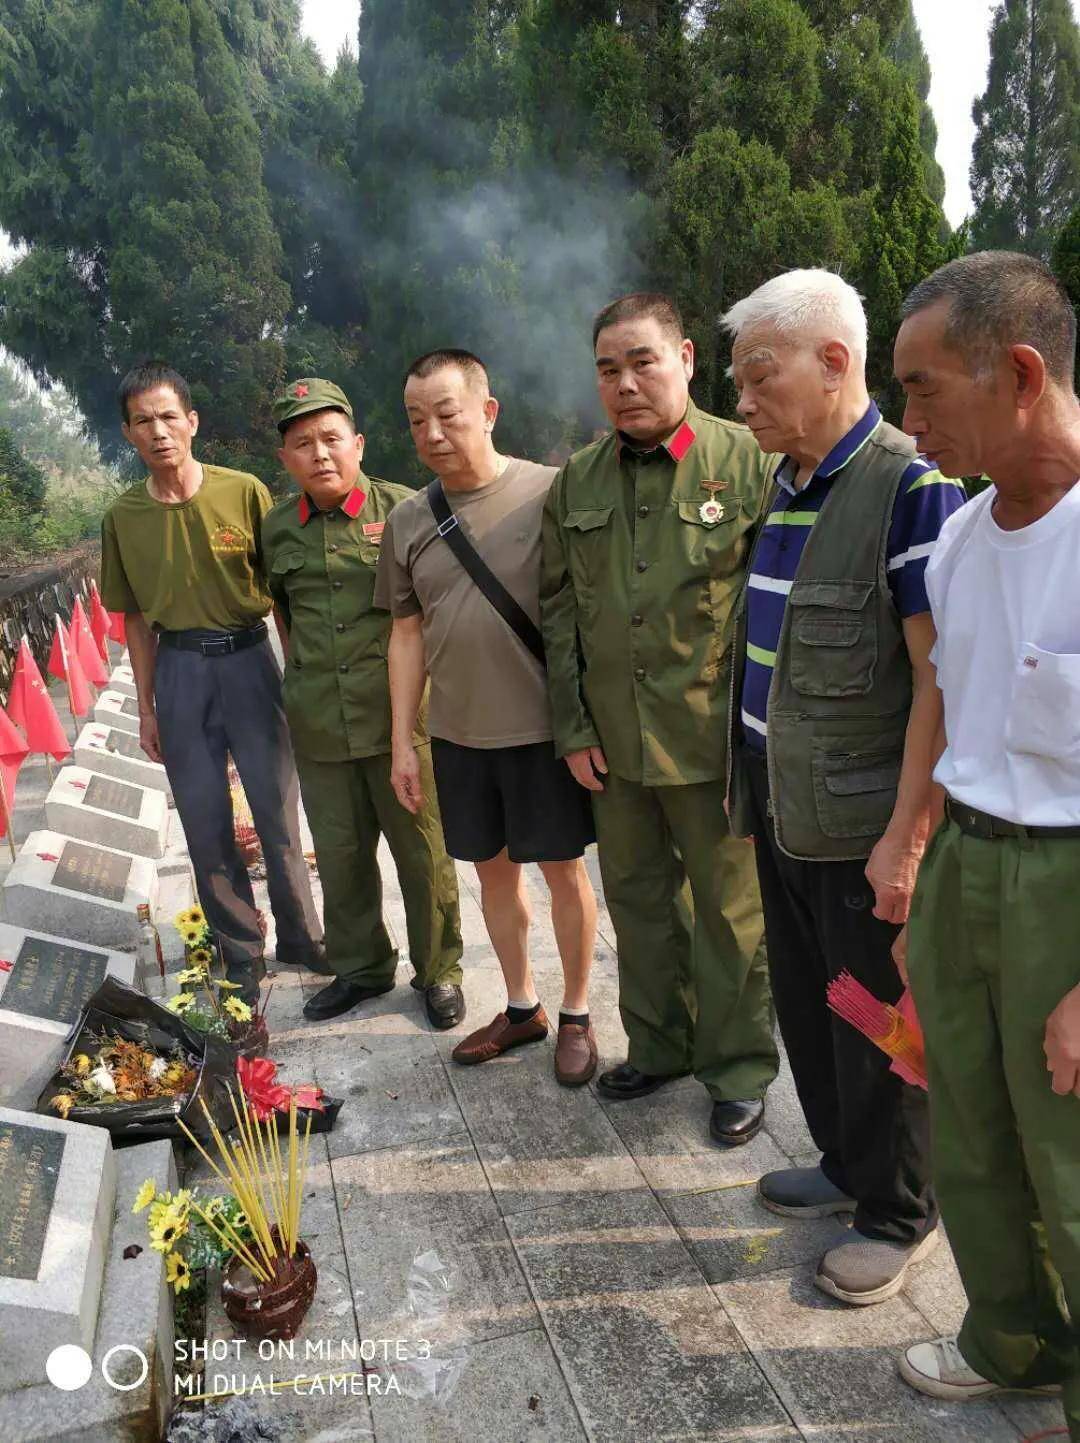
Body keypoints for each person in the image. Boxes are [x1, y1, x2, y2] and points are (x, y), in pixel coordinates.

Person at [720, 269, 967, 1302]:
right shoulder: (786, 482)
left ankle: (902, 1207)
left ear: (834, 363)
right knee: (811, 1006)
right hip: (784, 807)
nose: (741, 402)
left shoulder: (911, 488)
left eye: (758, 377)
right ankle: (841, 1163)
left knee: (878, 1021)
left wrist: (909, 838)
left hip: (864, 824)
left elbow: (937, 679)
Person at [891, 252, 1080, 1436]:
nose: (908, 424)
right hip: (966, 860)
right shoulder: (960, 537)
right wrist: (911, 852)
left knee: (1071, 1157)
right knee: (970, 1130)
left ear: (1017, 374)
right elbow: (941, 701)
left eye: (922, 390)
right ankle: (1011, 1340)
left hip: (1067, 886)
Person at [539, 292, 778, 1145]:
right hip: (615, 746)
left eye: (643, 361)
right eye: (608, 368)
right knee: (638, 902)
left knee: (726, 913)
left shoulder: (746, 463)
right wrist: (574, 729)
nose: (626, 382)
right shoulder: (580, 480)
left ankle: (739, 1067)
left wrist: (759, 739)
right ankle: (660, 1044)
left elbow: (774, 610)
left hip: (712, 743)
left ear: (684, 357)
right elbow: (560, 611)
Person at [375, 349, 599, 1086]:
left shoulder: (549, 492)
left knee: (565, 875)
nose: (432, 432)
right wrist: (404, 740)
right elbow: (405, 634)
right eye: (416, 421)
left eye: (447, 413)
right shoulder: (408, 519)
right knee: (493, 880)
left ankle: (576, 1012)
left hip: (543, 734)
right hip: (459, 737)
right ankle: (520, 1004)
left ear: (487, 411)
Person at [99, 361, 324, 1001]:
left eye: (169, 416)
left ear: (192, 423)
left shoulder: (242, 491)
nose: (158, 431)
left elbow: (278, 593)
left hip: (251, 660)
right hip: (179, 671)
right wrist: (146, 708)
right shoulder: (123, 518)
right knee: (203, 820)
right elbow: (135, 620)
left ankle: (303, 937)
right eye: (143, 421)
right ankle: (241, 948)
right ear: (128, 434)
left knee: (278, 811)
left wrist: (297, 673)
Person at [260, 378, 465, 1026]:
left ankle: (440, 971)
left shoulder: (407, 510)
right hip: (320, 721)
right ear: (286, 460)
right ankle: (362, 968)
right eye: (302, 443)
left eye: (330, 438)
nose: (319, 453)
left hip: (401, 720)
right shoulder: (277, 531)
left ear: (358, 443)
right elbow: (284, 613)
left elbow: (442, 608)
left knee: (422, 852)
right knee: (342, 858)